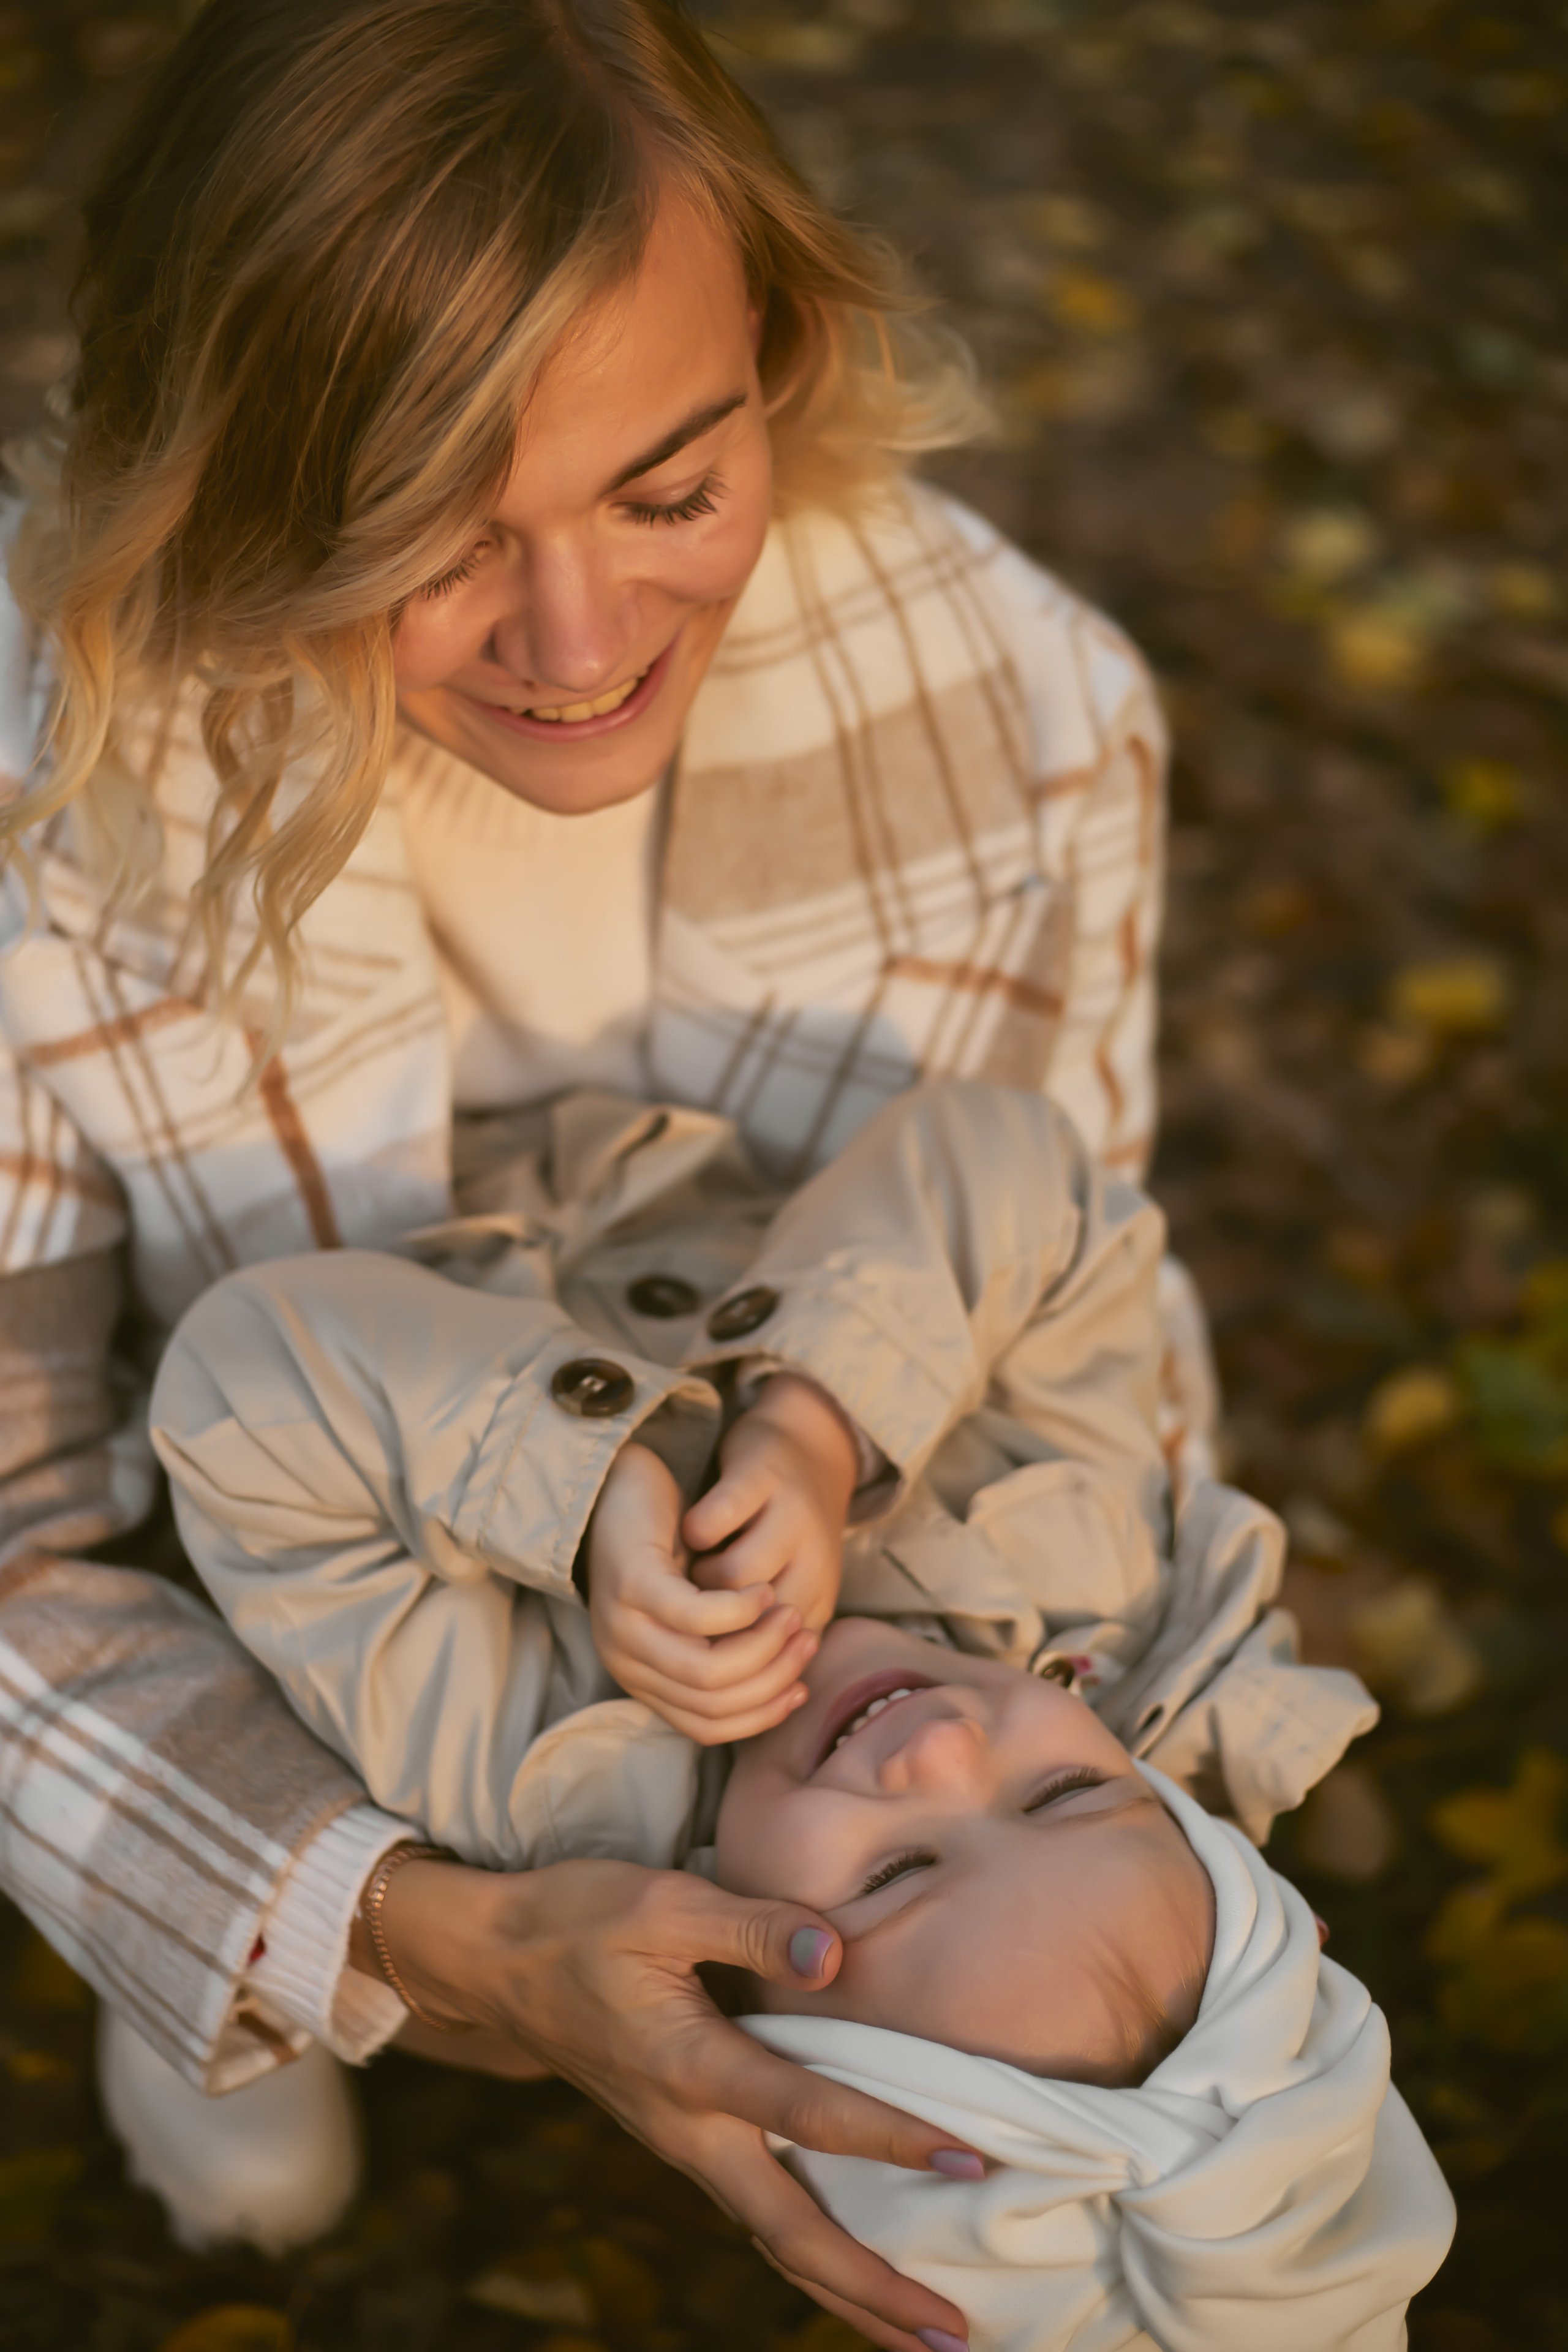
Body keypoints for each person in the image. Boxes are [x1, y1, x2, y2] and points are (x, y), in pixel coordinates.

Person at [0, 2, 1202, 2337]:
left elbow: (1080, 1276)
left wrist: (1079, 1766)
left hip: (838, 1699)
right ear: (217, 470)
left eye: (672, 490)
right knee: (249, 2150)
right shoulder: (32, 799)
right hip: (267, 1599)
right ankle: (191, 1963)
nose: (575, 646)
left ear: (782, 344)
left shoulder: (1033, 722)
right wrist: (376, 1922)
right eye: (423, 539)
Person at [151, 1081, 1455, 2348]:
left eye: (895, 1874)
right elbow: (1009, 1152)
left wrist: (588, 1485)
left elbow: (237, 1378)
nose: (941, 1744)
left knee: (396, 1943)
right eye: (1069, 1794)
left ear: (743, 2005)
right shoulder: (1085, 1599)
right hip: (700, 1170)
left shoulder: (531, 1785)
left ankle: (214, 1948)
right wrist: (820, 1420)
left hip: (400, 1220)